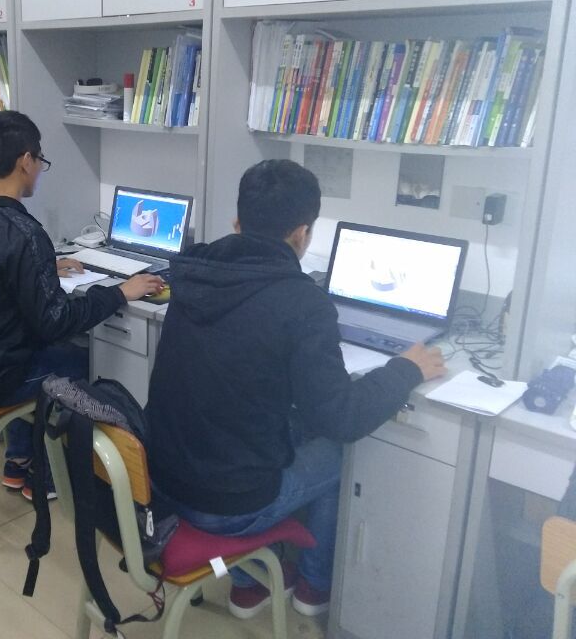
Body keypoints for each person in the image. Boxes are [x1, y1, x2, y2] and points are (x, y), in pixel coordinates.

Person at [145, 159, 445, 619]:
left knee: (280, 425)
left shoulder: (195, 270)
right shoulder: (303, 301)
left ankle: (249, 584)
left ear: (238, 222)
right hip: (223, 504)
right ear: (302, 234)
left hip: (164, 481)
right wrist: (405, 369)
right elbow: (342, 419)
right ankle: (313, 587)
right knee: (338, 453)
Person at [0, 110, 164, 500]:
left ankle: (18, 460)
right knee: (82, 360)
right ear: (26, 161)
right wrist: (120, 293)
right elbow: (56, 322)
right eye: (40, 161)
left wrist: (40, 268)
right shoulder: (23, 233)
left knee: (32, 350)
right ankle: (48, 472)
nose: (39, 169)